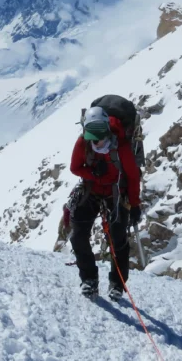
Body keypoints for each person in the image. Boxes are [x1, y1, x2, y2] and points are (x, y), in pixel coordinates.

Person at [69, 104, 141, 300]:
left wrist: (134, 204)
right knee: (78, 236)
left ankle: (117, 284)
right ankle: (89, 279)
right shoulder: (83, 143)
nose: (97, 142)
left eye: (99, 136)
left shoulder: (122, 147)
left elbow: (133, 177)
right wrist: (91, 173)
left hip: (115, 192)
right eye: (93, 137)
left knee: (118, 239)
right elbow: (75, 167)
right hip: (92, 188)